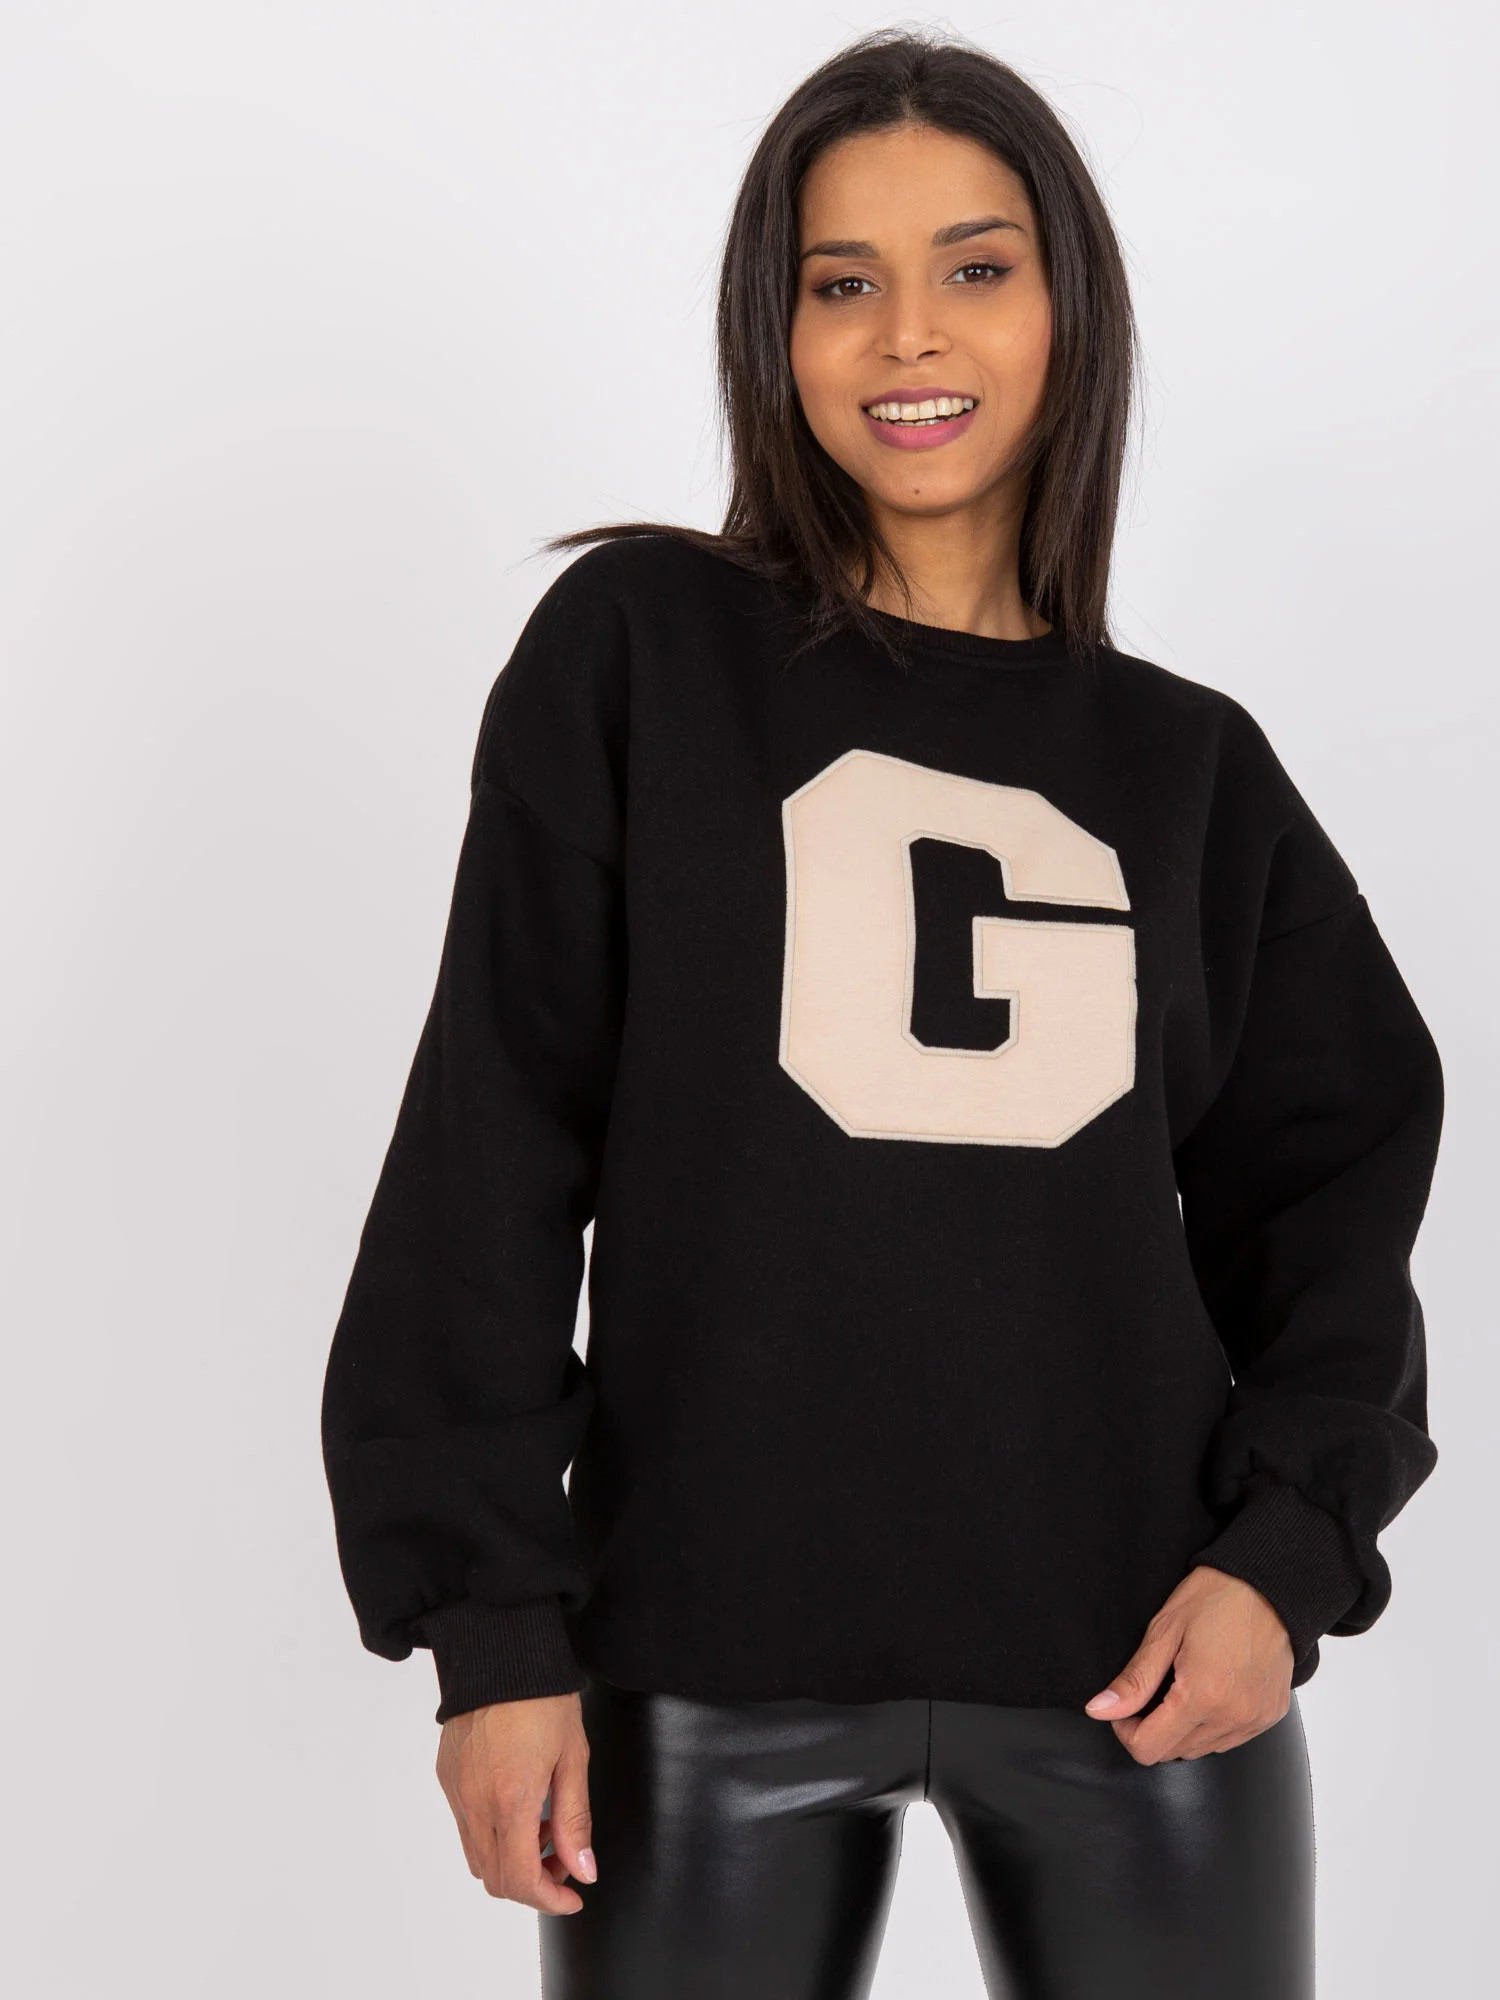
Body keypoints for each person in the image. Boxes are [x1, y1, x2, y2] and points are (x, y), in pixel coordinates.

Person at [320, 28, 1444, 1999]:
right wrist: (490, 1630)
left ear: (1070, 306)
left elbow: (1337, 1173)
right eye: (842, 280)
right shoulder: (640, 657)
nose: (909, 332)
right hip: (699, 1659)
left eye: (975, 267)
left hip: (1142, 1665)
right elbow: (493, 1139)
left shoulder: (1188, 766)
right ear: (775, 331)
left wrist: (1283, 1556)